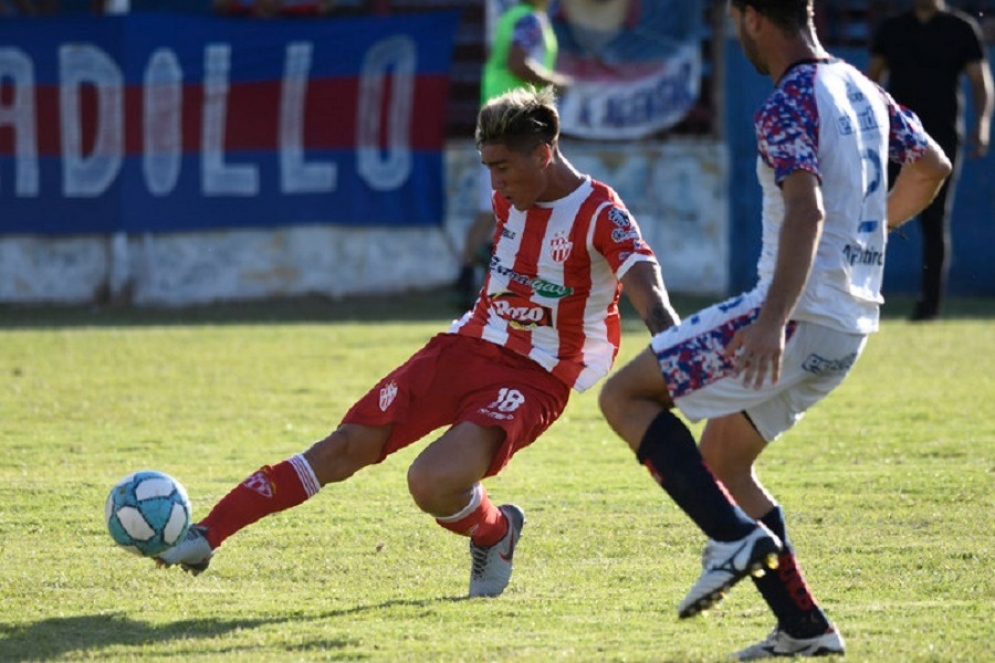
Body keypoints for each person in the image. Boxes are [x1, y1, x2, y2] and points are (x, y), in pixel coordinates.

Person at [158, 85, 680, 599]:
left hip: (538, 374)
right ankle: (208, 534)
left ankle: (495, 531)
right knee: (345, 447)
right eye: (488, 169)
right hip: (466, 345)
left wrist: (683, 360)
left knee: (430, 483)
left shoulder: (601, 213)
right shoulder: (510, 200)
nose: (495, 185)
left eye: (502, 167)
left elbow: (649, 293)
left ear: (544, 154)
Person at [598, 0, 951, 659]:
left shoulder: (789, 99)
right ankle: (804, 628)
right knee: (724, 462)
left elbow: (806, 209)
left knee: (622, 396)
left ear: (750, 15)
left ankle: (731, 538)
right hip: (848, 326)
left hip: (792, 316)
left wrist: (767, 322)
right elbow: (930, 164)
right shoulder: (860, 87)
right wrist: (871, 232)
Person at [868, 0, 994, 321]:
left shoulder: (961, 29)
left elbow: (981, 83)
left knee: (935, 220)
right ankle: (864, 295)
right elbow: (871, 82)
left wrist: (980, 126)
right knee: (876, 215)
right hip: (894, 140)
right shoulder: (892, 29)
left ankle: (929, 307)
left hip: (941, 140)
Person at [454, 0, 572, 309]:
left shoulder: (515, 18)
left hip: (497, 124)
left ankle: (467, 278)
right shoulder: (530, 21)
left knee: (491, 206)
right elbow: (517, 63)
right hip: (512, 128)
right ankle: (502, 276)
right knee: (521, 205)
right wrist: (557, 83)